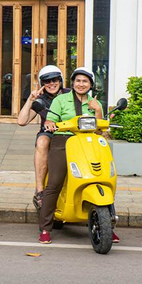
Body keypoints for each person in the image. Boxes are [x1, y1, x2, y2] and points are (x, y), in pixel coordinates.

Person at [38, 67, 103, 244]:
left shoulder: (94, 102)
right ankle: (45, 228)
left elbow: (100, 130)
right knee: (55, 182)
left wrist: (97, 110)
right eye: (78, 81)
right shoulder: (61, 100)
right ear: (73, 83)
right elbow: (50, 119)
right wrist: (51, 123)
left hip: (88, 144)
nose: (81, 84)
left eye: (85, 81)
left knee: (101, 178)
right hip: (63, 141)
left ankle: (108, 225)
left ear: (90, 85)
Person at [16, 65, 69, 210]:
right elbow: (21, 121)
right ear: (42, 84)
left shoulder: (70, 94)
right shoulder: (41, 99)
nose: (51, 84)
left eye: (55, 80)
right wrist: (31, 100)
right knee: (42, 141)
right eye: (47, 81)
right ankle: (39, 190)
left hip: (71, 133)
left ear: (61, 80)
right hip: (49, 134)